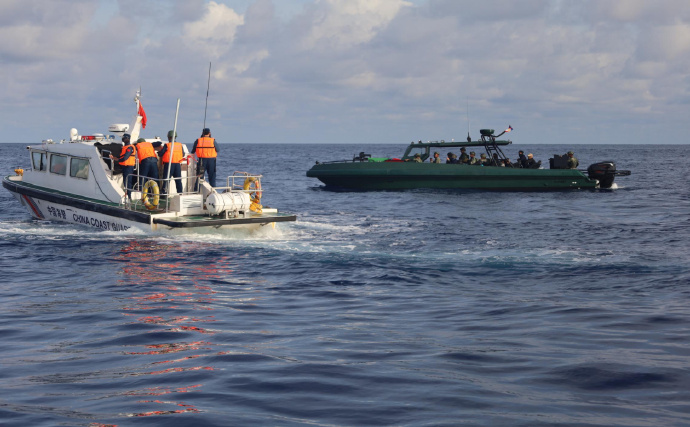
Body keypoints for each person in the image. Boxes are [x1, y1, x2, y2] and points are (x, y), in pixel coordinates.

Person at [159, 130, 187, 195]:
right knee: (178, 180)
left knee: (166, 180)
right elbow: (183, 154)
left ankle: (164, 194)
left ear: (168, 137)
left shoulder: (167, 145)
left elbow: (161, 154)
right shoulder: (180, 145)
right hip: (177, 165)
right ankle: (180, 194)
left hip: (169, 165)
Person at [109, 133, 136, 199]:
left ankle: (129, 196)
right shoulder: (125, 147)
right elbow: (121, 156)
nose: (124, 139)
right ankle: (127, 194)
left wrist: (118, 160)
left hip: (128, 166)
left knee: (127, 181)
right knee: (125, 181)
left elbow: (125, 158)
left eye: (125, 138)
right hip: (124, 166)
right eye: (124, 138)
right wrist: (114, 157)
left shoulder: (130, 147)